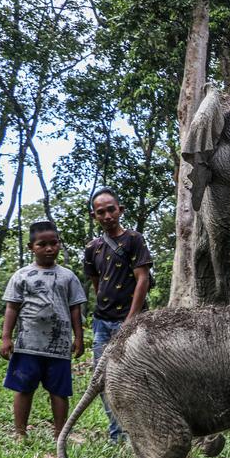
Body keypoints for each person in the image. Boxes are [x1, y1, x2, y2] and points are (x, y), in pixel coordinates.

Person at [0, 221, 86, 441]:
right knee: (24, 388)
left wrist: (79, 337)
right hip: (28, 344)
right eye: (42, 244)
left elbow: (75, 308)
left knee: (59, 391)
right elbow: (12, 307)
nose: (49, 248)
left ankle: (60, 434)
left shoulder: (68, 276)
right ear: (31, 247)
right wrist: (6, 337)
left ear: (59, 244)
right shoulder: (22, 275)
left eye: (54, 243)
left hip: (59, 346)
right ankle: (20, 432)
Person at [83, 187, 153, 443]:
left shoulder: (134, 239)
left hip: (133, 321)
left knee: (138, 376)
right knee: (103, 378)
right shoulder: (92, 248)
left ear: (120, 210)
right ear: (94, 215)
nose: (107, 215)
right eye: (101, 212)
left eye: (111, 209)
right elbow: (97, 283)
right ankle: (117, 433)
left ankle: (142, 433)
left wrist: (132, 319)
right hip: (102, 323)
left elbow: (142, 279)